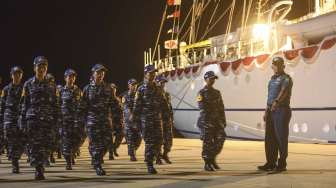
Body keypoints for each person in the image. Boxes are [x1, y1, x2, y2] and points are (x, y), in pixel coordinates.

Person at [19, 56, 58, 180]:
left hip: (47, 119)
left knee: (48, 143)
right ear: (34, 68)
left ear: (46, 69)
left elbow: (55, 104)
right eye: (39, 66)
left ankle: (41, 162)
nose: (41, 69)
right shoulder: (28, 84)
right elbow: (24, 103)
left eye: (44, 67)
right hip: (33, 119)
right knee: (35, 145)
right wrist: (22, 119)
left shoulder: (52, 85)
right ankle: (38, 169)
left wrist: (57, 119)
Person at [258, 57, 293, 172]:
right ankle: (270, 162)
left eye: (278, 64)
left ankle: (282, 163)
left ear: (283, 66)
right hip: (271, 111)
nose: (276, 67)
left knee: (281, 137)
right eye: (274, 65)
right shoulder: (272, 80)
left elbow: (284, 91)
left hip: (281, 111)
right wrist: (266, 110)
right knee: (269, 138)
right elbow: (269, 97)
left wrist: (276, 102)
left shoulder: (286, 78)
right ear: (272, 66)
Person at [81, 64, 115, 176]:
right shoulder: (87, 89)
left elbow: (113, 104)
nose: (100, 75)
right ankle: (97, 165)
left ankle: (96, 157)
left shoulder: (108, 88)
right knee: (96, 144)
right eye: (98, 73)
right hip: (92, 121)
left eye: (102, 73)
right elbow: (82, 107)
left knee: (106, 144)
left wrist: (118, 119)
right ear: (93, 74)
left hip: (105, 121)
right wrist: (81, 122)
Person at [132, 65, 167, 174]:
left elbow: (164, 104)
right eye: (150, 73)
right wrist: (136, 121)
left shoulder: (158, 88)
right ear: (146, 74)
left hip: (157, 119)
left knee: (159, 141)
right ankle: (149, 164)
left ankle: (153, 157)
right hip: (146, 121)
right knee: (150, 142)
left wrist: (167, 116)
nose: (152, 75)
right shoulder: (141, 89)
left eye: (154, 73)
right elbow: (137, 106)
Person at [196, 71, 227, 171]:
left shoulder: (217, 92)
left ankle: (212, 158)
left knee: (221, 139)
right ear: (206, 79)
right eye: (210, 78)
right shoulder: (201, 93)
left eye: (214, 78)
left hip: (217, 122)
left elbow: (221, 107)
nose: (213, 80)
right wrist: (207, 122)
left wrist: (223, 120)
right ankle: (207, 163)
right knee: (207, 143)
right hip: (207, 122)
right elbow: (202, 108)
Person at [0, 66, 24, 173]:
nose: (17, 76)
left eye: (19, 74)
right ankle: (15, 163)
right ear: (11, 75)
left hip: (20, 118)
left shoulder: (25, 89)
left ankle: (16, 158)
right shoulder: (6, 89)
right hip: (9, 118)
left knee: (20, 141)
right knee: (11, 141)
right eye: (15, 74)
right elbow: (2, 105)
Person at [59, 69, 82, 170]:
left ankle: (72, 152)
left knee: (77, 140)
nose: (71, 78)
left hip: (76, 120)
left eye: (73, 77)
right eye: (69, 76)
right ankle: (68, 161)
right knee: (66, 141)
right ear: (65, 78)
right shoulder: (60, 91)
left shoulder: (78, 91)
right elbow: (57, 104)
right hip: (65, 120)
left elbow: (82, 104)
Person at [155, 75, 173, 164]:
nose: (163, 84)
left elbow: (170, 107)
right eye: (161, 82)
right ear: (157, 82)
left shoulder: (167, 94)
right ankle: (158, 157)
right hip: (159, 119)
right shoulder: (154, 94)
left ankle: (165, 154)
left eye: (164, 83)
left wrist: (171, 118)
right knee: (158, 139)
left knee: (169, 139)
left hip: (167, 119)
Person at [122, 78, 141, 161]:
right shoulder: (125, 96)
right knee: (130, 139)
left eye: (135, 84)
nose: (134, 86)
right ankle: (132, 155)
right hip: (128, 122)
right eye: (132, 84)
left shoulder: (139, 95)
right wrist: (130, 114)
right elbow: (125, 107)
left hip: (137, 122)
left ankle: (133, 150)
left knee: (138, 140)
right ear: (129, 85)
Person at [109, 83, 123, 159]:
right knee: (110, 137)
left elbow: (121, 110)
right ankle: (111, 153)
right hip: (110, 120)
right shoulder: (107, 99)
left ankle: (114, 148)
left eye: (114, 88)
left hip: (118, 121)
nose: (113, 90)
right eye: (112, 89)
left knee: (120, 135)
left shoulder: (118, 99)